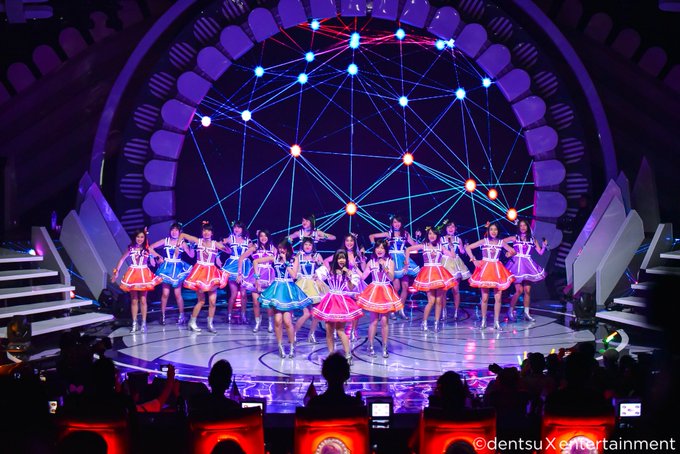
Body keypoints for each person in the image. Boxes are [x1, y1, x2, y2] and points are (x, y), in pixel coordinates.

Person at [258, 239, 313, 358]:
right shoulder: (274, 258)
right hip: (277, 290)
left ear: (287, 249)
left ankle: (292, 346)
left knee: (287, 321)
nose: (281, 250)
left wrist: (286, 263)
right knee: (278, 320)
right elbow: (256, 261)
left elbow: (294, 275)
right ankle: (280, 346)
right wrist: (257, 277)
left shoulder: (294, 259)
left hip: (288, 290)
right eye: (279, 248)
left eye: (283, 248)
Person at [312, 250, 363, 364]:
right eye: (339, 258)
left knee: (340, 330)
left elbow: (351, 288)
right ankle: (331, 355)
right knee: (329, 330)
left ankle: (348, 355)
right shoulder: (329, 270)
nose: (342, 260)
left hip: (341, 301)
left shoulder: (349, 272)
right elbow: (316, 276)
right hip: (330, 301)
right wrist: (318, 281)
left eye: (343, 258)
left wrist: (348, 276)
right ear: (336, 259)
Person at [465, 222, 516, 330]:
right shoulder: (484, 241)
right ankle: (483, 321)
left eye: (495, 229)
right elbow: (468, 248)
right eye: (491, 229)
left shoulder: (501, 242)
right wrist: (473, 260)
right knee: (484, 298)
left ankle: (496, 322)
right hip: (485, 270)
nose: (493, 231)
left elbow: (513, 251)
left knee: (498, 297)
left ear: (498, 231)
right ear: (488, 231)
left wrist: (509, 254)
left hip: (497, 270)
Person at [181, 221, 230, 333]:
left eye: (208, 230)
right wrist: (179, 244)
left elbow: (228, 251)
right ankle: (192, 322)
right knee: (201, 300)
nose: (206, 232)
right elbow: (183, 235)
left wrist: (226, 244)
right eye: (204, 230)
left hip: (212, 273)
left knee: (212, 302)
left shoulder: (215, 244)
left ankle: (210, 324)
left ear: (212, 233)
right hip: (200, 273)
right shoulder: (198, 241)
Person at [405, 227, 456, 332]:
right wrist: (407, 263)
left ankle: (436, 323)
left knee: (439, 301)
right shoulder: (424, 246)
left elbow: (452, 256)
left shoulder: (441, 247)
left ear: (437, 236)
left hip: (439, 274)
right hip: (428, 274)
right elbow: (408, 249)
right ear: (427, 235)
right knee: (431, 301)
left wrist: (451, 247)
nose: (432, 236)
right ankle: (424, 322)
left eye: (434, 234)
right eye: (430, 234)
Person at [112, 227, 163, 333]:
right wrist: (116, 272)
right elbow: (122, 259)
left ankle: (143, 323)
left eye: (142, 237)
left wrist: (157, 259)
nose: (140, 239)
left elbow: (158, 258)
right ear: (135, 238)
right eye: (138, 237)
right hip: (133, 274)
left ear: (144, 238)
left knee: (143, 300)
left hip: (144, 274)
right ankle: (134, 323)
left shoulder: (147, 249)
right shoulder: (131, 248)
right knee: (134, 300)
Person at [357, 239, 401, 357]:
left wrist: (385, 268)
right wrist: (355, 267)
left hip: (385, 290)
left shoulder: (390, 262)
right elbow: (363, 276)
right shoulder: (371, 262)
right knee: (374, 320)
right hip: (374, 291)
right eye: (377, 247)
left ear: (385, 250)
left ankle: (384, 347)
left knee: (384, 321)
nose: (379, 250)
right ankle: (370, 346)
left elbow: (391, 278)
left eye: (382, 248)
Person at [369, 215, 419, 320]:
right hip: (393, 260)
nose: (396, 224)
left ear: (401, 223)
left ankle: (401, 309)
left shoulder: (405, 234)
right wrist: (376, 247)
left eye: (398, 222)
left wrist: (417, 237)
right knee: (396, 287)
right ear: (392, 223)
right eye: (394, 222)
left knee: (405, 286)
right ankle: (392, 309)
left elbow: (414, 245)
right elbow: (371, 236)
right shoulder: (389, 233)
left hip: (403, 259)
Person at [503, 219, 548, 322]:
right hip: (517, 266)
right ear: (518, 227)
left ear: (527, 227)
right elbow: (501, 242)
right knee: (519, 291)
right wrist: (510, 251)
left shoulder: (533, 239)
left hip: (528, 266)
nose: (523, 227)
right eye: (521, 226)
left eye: (524, 225)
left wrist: (544, 246)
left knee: (527, 291)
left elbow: (540, 252)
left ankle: (527, 314)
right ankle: (510, 311)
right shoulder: (515, 238)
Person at [150, 222, 194, 325]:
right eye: (172, 230)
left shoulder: (182, 243)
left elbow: (191, 255)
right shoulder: (165, 241)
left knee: (177, 294)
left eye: (176, 230)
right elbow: (150, 247)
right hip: (166, 268)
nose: (174, 232)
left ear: (180, 232)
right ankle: (162, 315)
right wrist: (157, 257)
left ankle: (181, 316)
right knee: (165, 294)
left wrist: (191, 246)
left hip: (178, 269)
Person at [325, 233, 367, 341]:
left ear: (354, 242)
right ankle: (336, 330)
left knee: (356, 307)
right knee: (339, 306)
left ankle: (353, 331)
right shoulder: (341, 253)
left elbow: (364, 269)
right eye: (347, 240)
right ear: (344, 242)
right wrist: (332, 272)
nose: (349, 243)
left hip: (355, 280)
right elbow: (326, 261)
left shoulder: (358, 254)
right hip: (342, 281)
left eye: (351, 240)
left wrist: (361, 259)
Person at [238, 229, 276, 333]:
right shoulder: (254, 247)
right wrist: (240, 273)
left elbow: (279, 260)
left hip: (269, 276)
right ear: (258, 238)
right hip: (255, 275)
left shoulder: (273, 248)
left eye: (265, 236)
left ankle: (270, 323)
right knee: (255, 302)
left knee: (268, 302)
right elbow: (241, 258)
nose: (263, 238)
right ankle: (257, 323)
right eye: (261, 236)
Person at [293, 237, 329, 343]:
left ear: (313, 246)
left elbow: (324, 270)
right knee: (306, 313)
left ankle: (312, 334)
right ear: (302, 245)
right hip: (303, 285)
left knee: (316, 312)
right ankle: (293, 333)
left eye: (309, 244)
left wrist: (318, 271)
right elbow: (295, 272)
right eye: (306, 244)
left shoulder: (317, 256)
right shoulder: (298, 256)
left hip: (314, 284)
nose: (307, 246)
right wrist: (300, 276)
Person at [221, 220, 252, 324]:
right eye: (235, 227)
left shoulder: (248, 240)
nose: (236, 229)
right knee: (233, 294)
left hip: (245, 267)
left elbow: (253, 252)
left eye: (239, 227)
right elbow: (219, 245)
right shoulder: (230, 238)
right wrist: (217, 257)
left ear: (243, 229)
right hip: (232, 266)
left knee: (243, 294)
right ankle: (229, 315)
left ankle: (243, 316)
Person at [439, 219, 470, 321]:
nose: (451, 229)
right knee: (443, 291)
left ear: (455, 228)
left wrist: (465, 248)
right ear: (446, 228)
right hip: (445, 263)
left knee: (455, 290)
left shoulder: (458, 239)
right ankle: (444, 311)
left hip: (456, 264)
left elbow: (462, 251)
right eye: (449, 226)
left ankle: (456, 312)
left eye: (452, 227)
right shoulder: (441, 239)